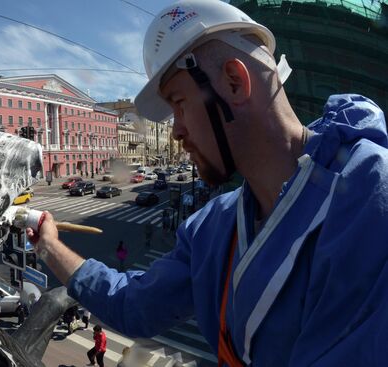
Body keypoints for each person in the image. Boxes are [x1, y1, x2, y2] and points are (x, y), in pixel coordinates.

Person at [25, 0, 388, 365]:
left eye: (180, 103)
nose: (177, 131)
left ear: (234, 82)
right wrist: (49, 245)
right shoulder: (214, 227)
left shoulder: (371, 193)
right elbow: (133, 305)